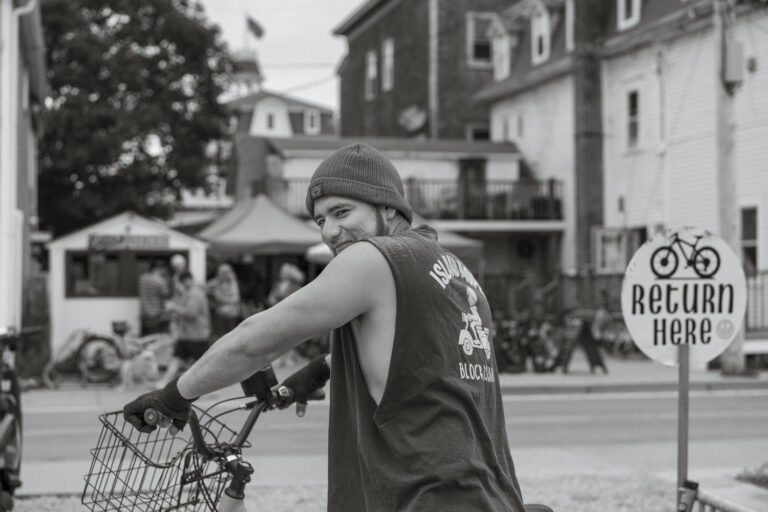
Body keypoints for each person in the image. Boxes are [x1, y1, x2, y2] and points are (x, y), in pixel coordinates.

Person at [124, 143, 529, 511]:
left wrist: (176, 395)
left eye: (342, 212)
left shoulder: (374, 259)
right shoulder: (455, 272)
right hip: (489, 493)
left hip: (425, 497)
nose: (330, 231)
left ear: (387, 207)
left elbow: (256, 341)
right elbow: (422, 359)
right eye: (320, 220)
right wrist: (322, 368)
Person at [155, 271, 211, 388]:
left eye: (180, 282)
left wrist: (173, 307)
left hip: (196, 336)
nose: (179, 285)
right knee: (177, 358)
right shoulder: (188, 293)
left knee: (204, 363)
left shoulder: (195, 294)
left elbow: (191, 313)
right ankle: (163, 382)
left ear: (186, 281)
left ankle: (210, 386)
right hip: (187, 335)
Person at [207, 263, 241, 337]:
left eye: (225, 272)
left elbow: (235, 299)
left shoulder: (232, 282)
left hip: (231, 313)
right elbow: (206, 287)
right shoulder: (216, 282)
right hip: (220, 313)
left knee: (230, 335)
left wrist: (218, 296)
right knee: (220, 335)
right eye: (221, 272)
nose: (222, 274)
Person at [137, 260, 170, 335]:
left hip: (144, 317)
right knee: (155, 343)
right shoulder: (161, 281)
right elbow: (165, 298)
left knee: (145, 342)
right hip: (155, 319)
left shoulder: (142, 278)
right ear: (161, 269)